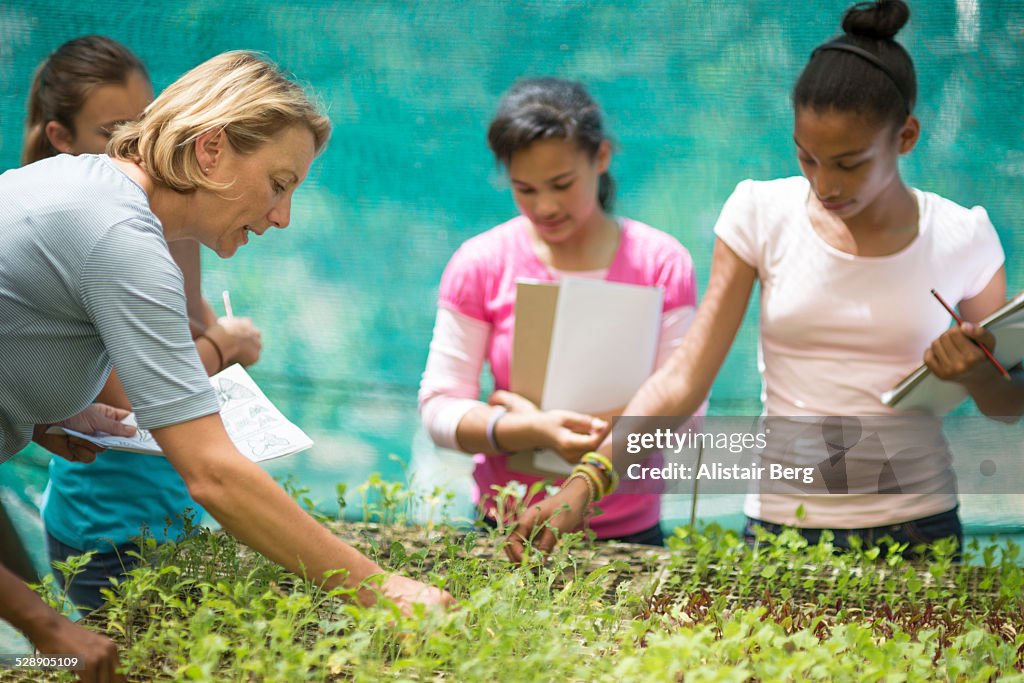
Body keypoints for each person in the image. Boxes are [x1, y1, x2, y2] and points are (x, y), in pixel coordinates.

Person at [506, 0, 1024, 562]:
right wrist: (587, 482)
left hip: (917, 528)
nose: (825, 184)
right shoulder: (760, 212)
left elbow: (1006, 403)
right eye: (808, 158)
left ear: (905, 137)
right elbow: (685, 377)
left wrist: (976, 373)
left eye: (849, 163)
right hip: (782, 530)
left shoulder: (963, 235)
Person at [0, 49, 452, 680]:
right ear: (210, 149)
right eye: (279, 183)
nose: (282, 217)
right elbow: (212, 473)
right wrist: (379, 588)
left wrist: (45, 408)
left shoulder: (83, 188)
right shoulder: (119, 239)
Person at [21, 34, 265, 612]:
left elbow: (183, 339)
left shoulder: (170, 229)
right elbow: (127, 394)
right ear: (61, 137)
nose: (138, 141)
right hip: (107, 517)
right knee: (77, 654)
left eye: (147, 120)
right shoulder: (95, 230)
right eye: (115, 130)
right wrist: (222, 347)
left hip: (169, 497)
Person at [417, 78, 702, 546]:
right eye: (524, 189)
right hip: (506, 532)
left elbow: (686, 417)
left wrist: (564, 430)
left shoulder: (662, 264)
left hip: (628, 534)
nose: (545, 206)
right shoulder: (481, 263)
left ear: (602, 157)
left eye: (562, 184)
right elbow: (439, 409)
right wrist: (524, 429)